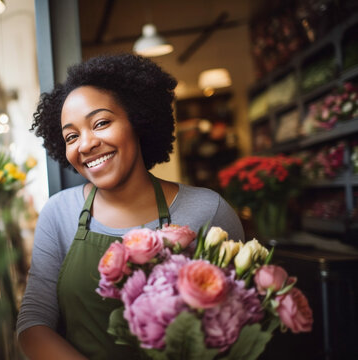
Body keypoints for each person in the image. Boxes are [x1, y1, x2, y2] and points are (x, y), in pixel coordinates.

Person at [17, 54, 244, 359]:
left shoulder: (209, 211)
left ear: (137, 120)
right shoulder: (59, 213)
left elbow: (241, 326)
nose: (85, 144)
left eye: (101, 123)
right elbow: (33, 324)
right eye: (72, 136)